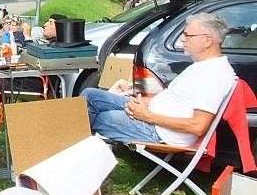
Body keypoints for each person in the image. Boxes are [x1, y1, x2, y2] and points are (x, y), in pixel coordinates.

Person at [80, 13, 236, 146]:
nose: (182, 39)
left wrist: (147, 116)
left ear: (207, 40)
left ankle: (69, 149)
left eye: (187, 35)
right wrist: (147, 103)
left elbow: (198, 126)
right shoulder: (203, 66)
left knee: (94, 118)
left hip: (159, 132)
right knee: (90, 95)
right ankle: (72, 143)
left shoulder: (213, 75)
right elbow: (181, 99)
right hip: (151, 115)